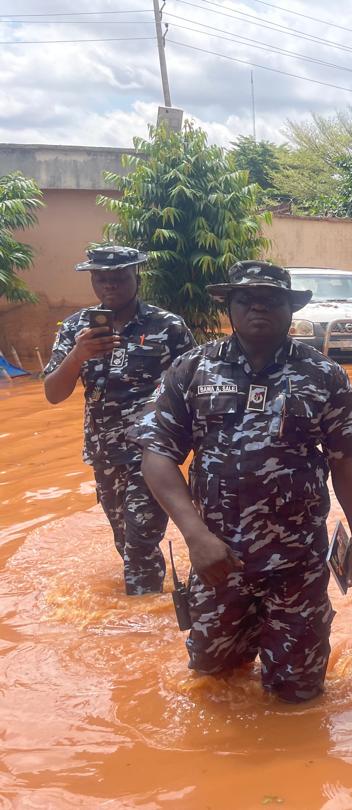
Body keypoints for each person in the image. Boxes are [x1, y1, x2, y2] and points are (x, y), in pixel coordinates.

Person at [134, 261, 352, 703]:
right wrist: (194, 535)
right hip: (217, 558)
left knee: (299, 693)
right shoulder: (192, 369)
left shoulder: (324, 375)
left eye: (272, 300)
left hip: (298, 563)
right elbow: (157, 455)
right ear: (229, 306)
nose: (259, 308)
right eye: (247, 300)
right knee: (214, 680)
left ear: (291, 308)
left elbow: (345, 463)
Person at [43, 245, 195, 595]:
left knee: (140, 542)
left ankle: (141, 624)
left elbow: (190, 389)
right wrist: (78, 354)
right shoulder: (76, 328)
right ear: (93, 280)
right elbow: (53, 393)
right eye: (101, 279)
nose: (109, 285)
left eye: (119, 278)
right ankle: (150, 603)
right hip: (104, 452)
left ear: (135, 277)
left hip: (152, 452)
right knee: (124, 539)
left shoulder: (168, 326)